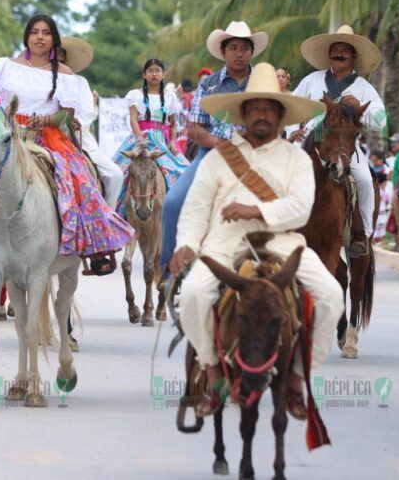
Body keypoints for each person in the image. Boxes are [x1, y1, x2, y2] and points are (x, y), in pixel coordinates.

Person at [168, 63, 339, 418]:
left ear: (280, 115)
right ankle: (212, 368)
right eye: (255, 108)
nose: (262, 115)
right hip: (223, 244)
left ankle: (296, 377)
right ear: (243, 114)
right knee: (194, 294)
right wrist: (185, 244)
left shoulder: (297, 159)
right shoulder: (217, 157)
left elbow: (300, 209)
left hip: (281, 242)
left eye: (269, 109)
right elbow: (196, 209)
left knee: (332, 297)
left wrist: (254, 210)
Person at [0, 14, 133, 280]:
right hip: (7, 132)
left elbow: (67, 115)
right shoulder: (7, 66)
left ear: (54, 40)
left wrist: (46, 119)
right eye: (34, 32)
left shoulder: (66, 75)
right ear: (27, 36)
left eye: (46, 33)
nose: (39, 37)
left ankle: (95, 250)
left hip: (46, 136)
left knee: (78, 181)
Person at [160, 21, 265, 272]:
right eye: (233, 48)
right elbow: (195, 128)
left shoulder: (262, 83)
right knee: (173, 202)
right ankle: (167, 269)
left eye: (244, 48)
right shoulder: (209, 85)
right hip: (211, 155)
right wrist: (221, 144)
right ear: (223, 51)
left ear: (251, 52)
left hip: (255, 158)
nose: (239, 53)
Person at [287, 25, 386, 257]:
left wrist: (359, 110)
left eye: (344, 50)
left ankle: (363, 235)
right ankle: (280, 226)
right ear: (328, 54)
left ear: (353, 56)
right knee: (282, 173)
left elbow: (381, 120)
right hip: (311, 142)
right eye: (335, 49)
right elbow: (291, 106)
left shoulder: (364, 87)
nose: (338, 53)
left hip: (345, 146)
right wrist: (294, 129)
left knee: (363, 179)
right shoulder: (311, 80)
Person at [113, 58, 190, 216]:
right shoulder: (135, 95)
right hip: (139, 139)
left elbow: (173, 124)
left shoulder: (170, 96)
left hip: (161, 141)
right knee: (116, 172)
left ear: (163, 74)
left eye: (157, 70)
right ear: (144, 74)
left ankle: (175, 214)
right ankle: (115, 214)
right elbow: (133, 119)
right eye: (150, 71)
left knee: (184, 171)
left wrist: (174, 141)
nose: (154, 74)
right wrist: (140, 137)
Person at [59, 37, 125, 211]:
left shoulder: (80, 82)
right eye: (52, 54)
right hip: (43, 134)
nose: (56, 58)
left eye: (60, 55)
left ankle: (108, 215)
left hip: (79, 138)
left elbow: (88, 111)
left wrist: (76, 122)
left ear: (66, 58)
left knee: (115, 175)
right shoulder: (38, 79)